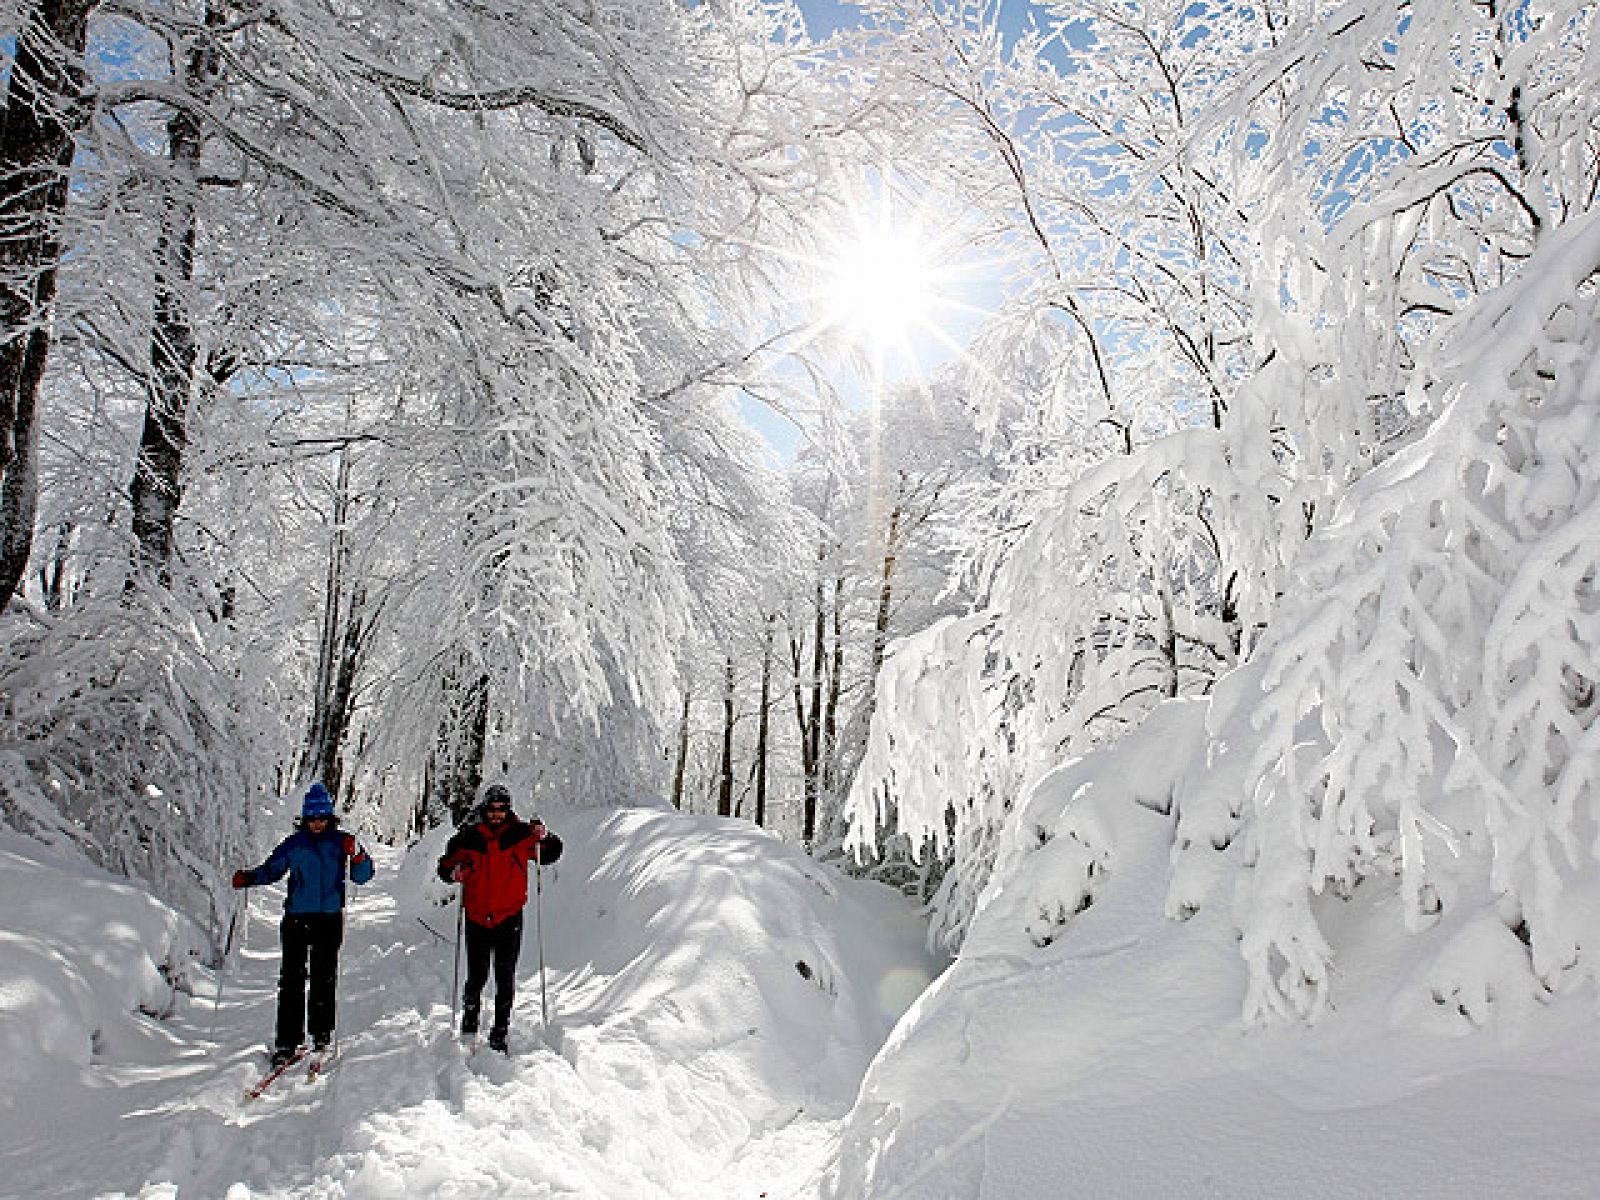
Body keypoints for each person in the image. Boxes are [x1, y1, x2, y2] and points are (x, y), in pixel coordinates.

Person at [232, 782, 374, 1066]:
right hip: (297, 918)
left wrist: (358, 854)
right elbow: (272, 869)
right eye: (312, 818)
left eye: (322, 818)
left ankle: (321, 1034)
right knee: (292, 980)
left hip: (329, 919)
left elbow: (363, 875)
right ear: (305, 819)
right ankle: (287, 1041)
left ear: (330, 818)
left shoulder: (341, 842)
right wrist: (250, 877)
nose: (318, 823)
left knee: (324, 977)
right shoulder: (294, 845)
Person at [435, 782, 563, 1052]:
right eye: (492, 809)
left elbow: (551, 853)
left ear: (508, 809)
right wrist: (455, 873)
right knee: (477, 975)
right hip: (477, 916)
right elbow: (444, 866)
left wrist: (545, 836)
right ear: (484, 809)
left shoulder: (520, 834)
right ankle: (469, 1025)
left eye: (501, 810)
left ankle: (500, 1031)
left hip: (509, 917)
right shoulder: (468, 837)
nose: (496, 814)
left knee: (505, 976)